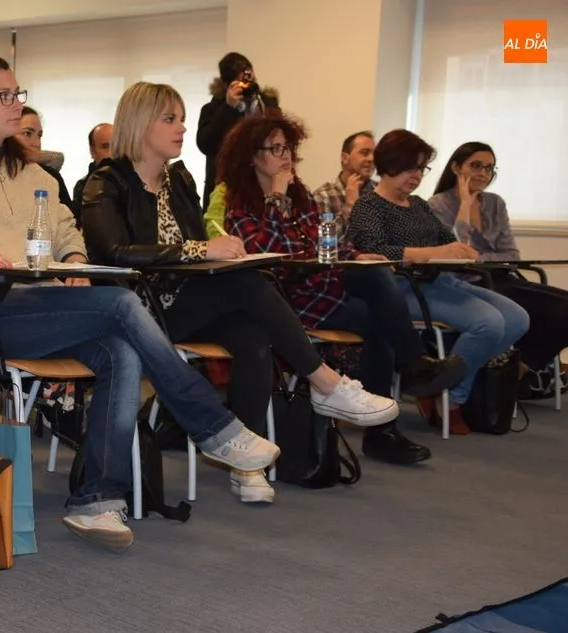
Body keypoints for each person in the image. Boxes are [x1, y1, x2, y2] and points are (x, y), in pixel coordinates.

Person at [0, 56, 280, 550]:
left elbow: (64, 230)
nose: (17, 104)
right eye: (5, 96)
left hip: (44, 305)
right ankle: (213, 426)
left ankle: (96, 499)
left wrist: (75, 259)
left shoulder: (28, 170)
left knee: (122, 353)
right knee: (120, 305)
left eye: (18, 94)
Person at [81, 80, 399, 503]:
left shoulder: (179, 181)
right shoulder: (105, 182)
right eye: (170, 119)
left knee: (253, 336)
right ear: (140, 124)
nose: (182, 128)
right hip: (138, 310)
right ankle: (325, 383)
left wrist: (222, 252)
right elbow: (114, 252)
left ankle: (248, 466)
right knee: (248, 284)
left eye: (182, 119)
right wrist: (201, 249)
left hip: (184, 300)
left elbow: (197, 251)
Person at [215, 111, 467, 465]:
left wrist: (357, 255)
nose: (286, 156)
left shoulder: (301, 196)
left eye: (288, 148)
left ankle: (406, 381)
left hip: (325, 285)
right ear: (252, 156)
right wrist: (276, 200)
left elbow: (323, 243)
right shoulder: (240, 206)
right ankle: (401, 393)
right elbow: (269, 254)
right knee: (378, 323)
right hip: (289, 300)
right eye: (275, 149)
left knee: (377, 273)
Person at [348, 130, 530, 434]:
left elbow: (449, 240)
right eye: (410, 168)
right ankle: (452, 400)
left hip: (440, 282)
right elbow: (375, 251)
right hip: (402, 290)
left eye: (421, 169)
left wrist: (461, 248)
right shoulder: (369, 205)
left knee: (517, 319)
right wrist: (434, 252)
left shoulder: (419, 205)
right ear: (389, 166)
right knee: (488, 324)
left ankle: (441, 387)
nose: (417, 176)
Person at [430, 141, 568, 373]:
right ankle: (511, 373)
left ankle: (519, 369)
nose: (483, 173)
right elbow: (455, 254)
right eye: (476, 166)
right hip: (468, 283)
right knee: (552, 310)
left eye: (489, 168)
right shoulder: (437, 205)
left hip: (503, 277)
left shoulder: (495, 203)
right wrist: (465, 206)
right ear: (456, 167)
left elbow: (511, 254)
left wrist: (479, 257)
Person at [196, 52, 279, 210]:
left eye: (249, 77)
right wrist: (228, 108)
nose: (246, 84)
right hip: (225, 192)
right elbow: (205, 144)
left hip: (263, 188)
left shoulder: (267, 105)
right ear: (227, 84)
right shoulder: (213, 109)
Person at [312, 130, 377, 242]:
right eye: (364, 153)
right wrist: (350, 205)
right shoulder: (323, 196)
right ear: (345, 158)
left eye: (374, 154)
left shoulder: (380, 192)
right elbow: (324, 241)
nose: (371, 159)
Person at [18, 106, 72, 210]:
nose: (37, 144)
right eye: (27, 133)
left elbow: (69, 217)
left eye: (39, 136)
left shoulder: (50, 176)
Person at [72, 122, 113, 222]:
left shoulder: (136, 179)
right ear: (92, 151)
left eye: (116, 145)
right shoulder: (83, 187)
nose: (112, 152)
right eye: (105, 146)